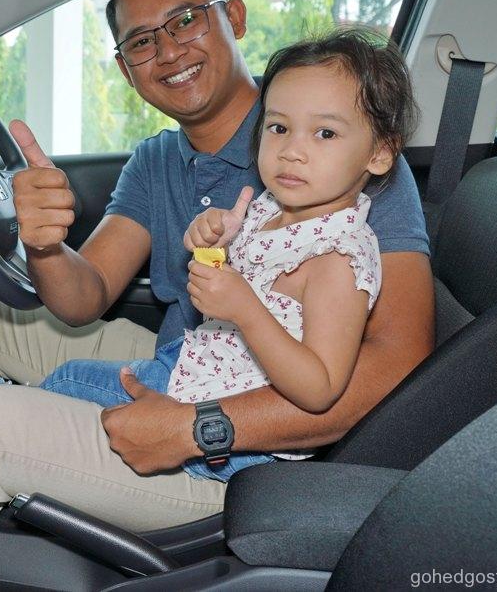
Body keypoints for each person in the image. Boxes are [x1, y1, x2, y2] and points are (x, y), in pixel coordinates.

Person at [0, 0, 434, 532]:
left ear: (233, 18)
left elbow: (397, 369)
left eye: (185, 20)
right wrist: (44, 244)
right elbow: (84, 296)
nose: (169, 51)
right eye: (142, 42)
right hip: (184, 360)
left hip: (242, 453)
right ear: (127, 69)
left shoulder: (340, 168)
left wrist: (197, 428)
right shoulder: (159, 161)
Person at [36, 28, 415, 483]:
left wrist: (246, 310)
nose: (292, 151)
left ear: (379, 154)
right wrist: (213, 250)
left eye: (325, 133)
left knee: (66, 382)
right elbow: (239, 289)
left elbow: (320, 389)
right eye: (278, 127)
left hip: (232, 430)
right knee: (66, 385)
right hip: (200, 369)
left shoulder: (339, 258)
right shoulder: (271, 209)